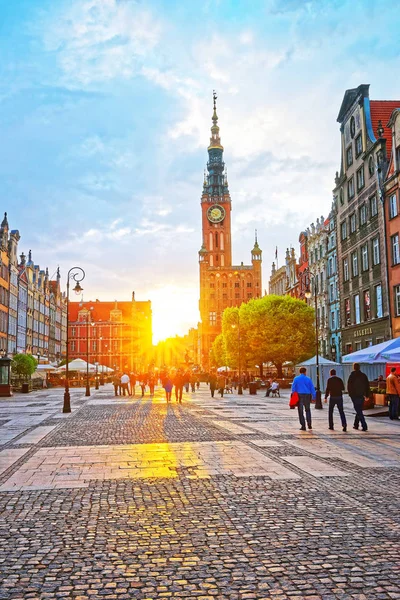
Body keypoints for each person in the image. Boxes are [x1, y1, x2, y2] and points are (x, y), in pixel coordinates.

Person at [347, 363, 370, 431]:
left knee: (358, 410)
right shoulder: (363, 375)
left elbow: (349, 386)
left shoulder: (352, 376)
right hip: (361, 395)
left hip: (354, 396)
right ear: (359, 368)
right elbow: (367, 386)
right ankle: (356, 424)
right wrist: (367, 395)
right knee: (359, 409)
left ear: (354, 368)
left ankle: (364, 425)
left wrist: (350, 394)